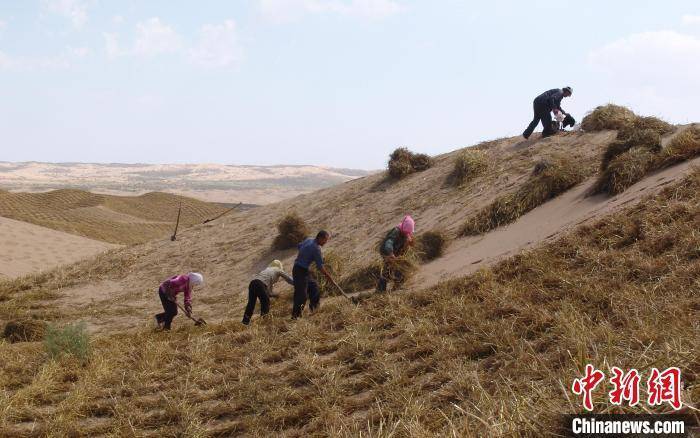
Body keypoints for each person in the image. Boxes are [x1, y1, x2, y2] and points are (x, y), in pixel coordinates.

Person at [291, 230, 338, 319]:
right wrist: (329, 278)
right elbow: (320, 267)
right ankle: (295, 317)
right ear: (320, 238)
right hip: (299, 271)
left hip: (303, 269)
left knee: (314, 287)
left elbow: (299, 246)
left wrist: (304, 258)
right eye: (325, 240)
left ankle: (314, 310)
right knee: (302, 295)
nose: (325, 242)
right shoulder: (316, 249)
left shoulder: (309, 239)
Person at [242, 260, 293, 325]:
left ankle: (245, 322)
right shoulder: (278, 270)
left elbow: (269, 293)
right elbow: (289, 279)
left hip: (252, 283)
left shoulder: (266, 271)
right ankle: (264, 321)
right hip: (260, 284)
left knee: (251, 304)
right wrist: (298, 284)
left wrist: (276, 295)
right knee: (266, 302)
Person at [377, 215, 415, 292]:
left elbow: (409, 237)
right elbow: (388, 243)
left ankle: (398, 285)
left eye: (408, 232)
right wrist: (391, 254)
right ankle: (381, 289)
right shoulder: (395, 231)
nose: (407, 234)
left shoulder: (406, 232)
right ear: (403, 228)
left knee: (400, 267)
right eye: (406, 232)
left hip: (396, 251)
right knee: (388, 269)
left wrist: (410, 242)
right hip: (387, 251)